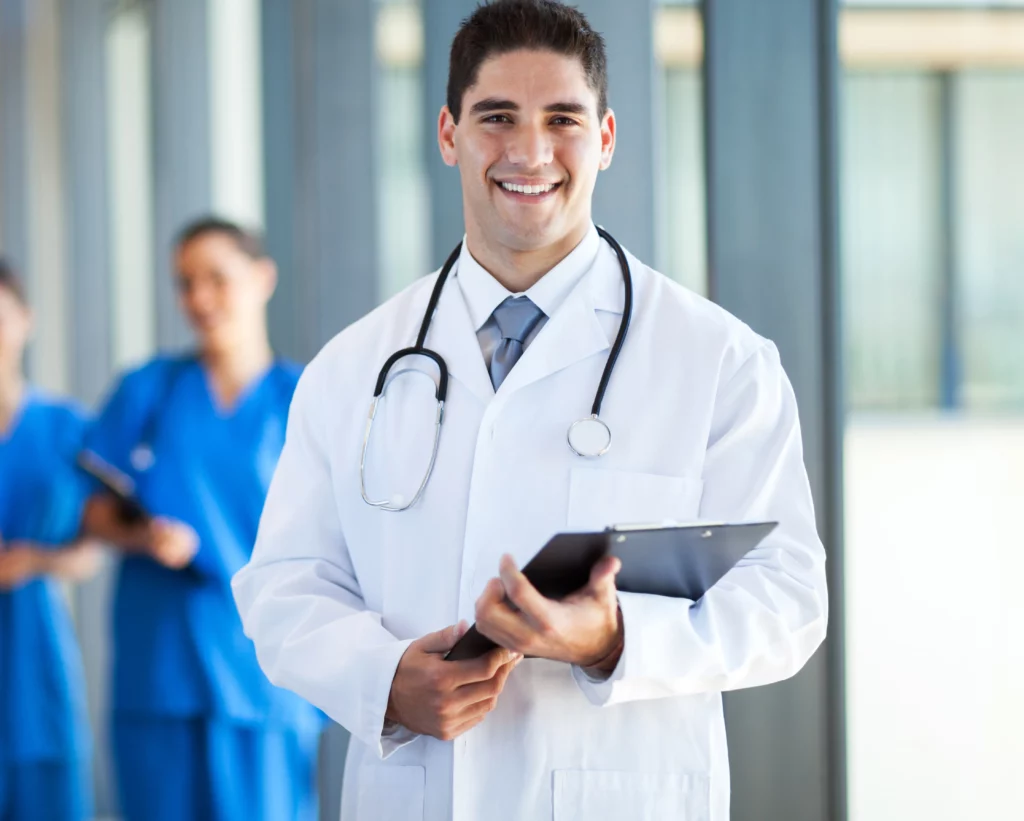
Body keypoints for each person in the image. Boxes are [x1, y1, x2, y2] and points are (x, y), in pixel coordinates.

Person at [232, 2, 828, 819]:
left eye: (562, 119)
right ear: (448, 134)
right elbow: (286, 584)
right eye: (496, 118)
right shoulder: (353, 366)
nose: (529, 151)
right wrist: (384, 679)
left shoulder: (718, 360)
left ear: (608, 137)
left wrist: (615, 640)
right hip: (417, 792)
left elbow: (789, 596)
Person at [79, 219, 323, 821]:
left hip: (266, 675)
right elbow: (91, 509)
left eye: (218, 278)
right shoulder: (149, 391)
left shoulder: (307, 398)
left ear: (263, 278)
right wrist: (139, 533)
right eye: (186, 284)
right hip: (161, 671)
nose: (200, 299)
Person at [0, 259, 100, 821]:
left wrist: (34, 560)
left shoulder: (66, 426)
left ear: (26, 320)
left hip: (35, 646)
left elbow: (91, 549)